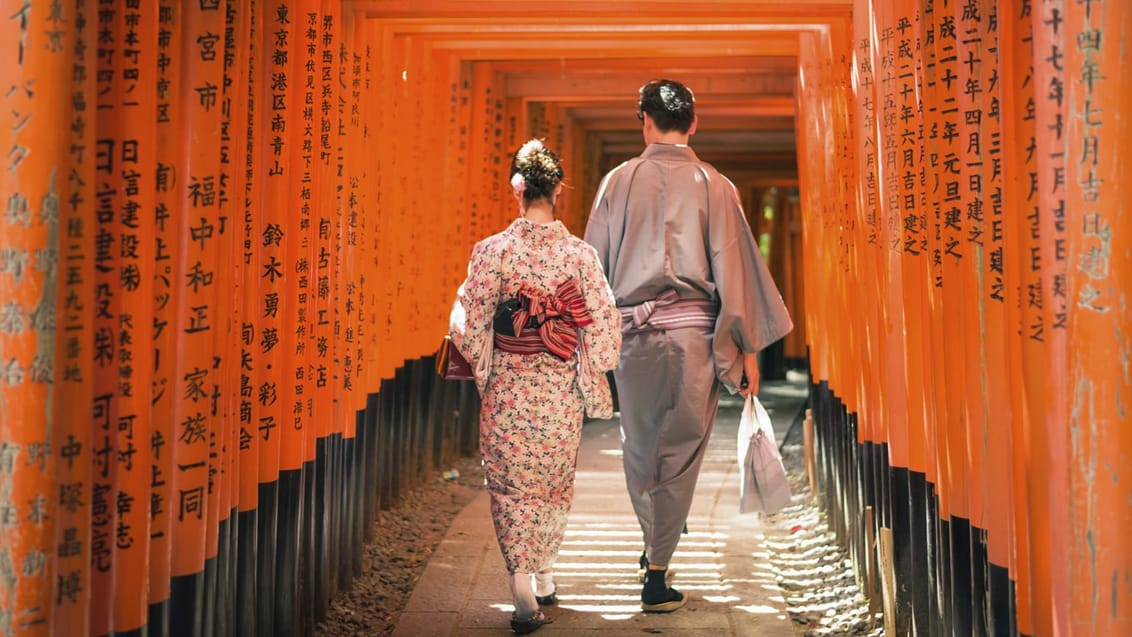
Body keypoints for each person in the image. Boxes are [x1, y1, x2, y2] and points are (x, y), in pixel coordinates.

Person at [583, 79, 793, 613]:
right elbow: (735, 270)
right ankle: (657, 569)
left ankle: (653, 542)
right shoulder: (713, 184)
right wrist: (746, 351)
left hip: (634, 337)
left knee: (638, 442)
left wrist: (589, 344)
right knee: (682, 450)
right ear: (694, 124)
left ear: (644, 121)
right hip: (695, 337)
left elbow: (591, 268)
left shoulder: (617, 181)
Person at [451, 139, 621, 634]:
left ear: (517, 189)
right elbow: (605, 328)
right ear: (557, 192)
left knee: (509, 487)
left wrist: (487, 366)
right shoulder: (581, 257)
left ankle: (526, 588)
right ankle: (541, 573)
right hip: (559, 392)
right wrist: (588, 363)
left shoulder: (491, 252)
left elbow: (470, 325)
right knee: (550, 485)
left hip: (508, 386)